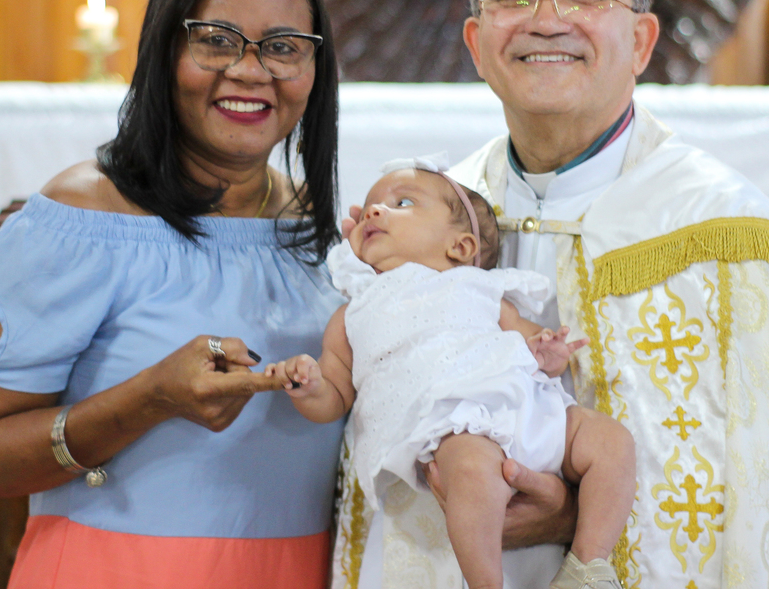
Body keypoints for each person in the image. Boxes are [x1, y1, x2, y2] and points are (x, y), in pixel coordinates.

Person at [332, 0, 769, 588]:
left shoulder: (729, 239)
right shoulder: (427, 222)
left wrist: (575, 514)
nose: (548, 20)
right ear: (477, 44)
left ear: (640, 40)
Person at [0, 0, 346, 589]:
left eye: (283, 46)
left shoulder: (315, 224)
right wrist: (151, 398)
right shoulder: (83, 218)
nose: (251, 70)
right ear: (164, 51)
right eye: (217, 40)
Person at [265, 156, 636, 589]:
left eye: (402, 203)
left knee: (611, 441)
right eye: (368, 207)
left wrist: (547, 351)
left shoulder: (482, 288)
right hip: (454, 430)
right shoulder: (354, 314)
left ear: (460, 247)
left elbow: (529, 339)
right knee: (474, 474)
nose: (373, 211)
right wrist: (310, 385)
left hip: (529, 409)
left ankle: (587, 565)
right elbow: (335, 394)